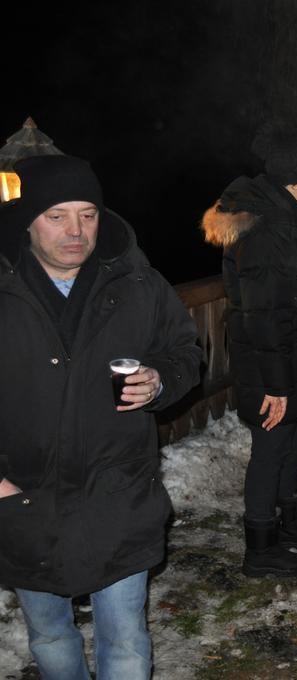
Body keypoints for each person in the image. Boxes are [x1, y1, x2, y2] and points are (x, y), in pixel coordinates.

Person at [0, 154, 201, 679]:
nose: (75, 231)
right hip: (26, 497)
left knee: (127, 638)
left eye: (87, 214)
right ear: (28, 222)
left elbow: (184, 351)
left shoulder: (137, 282)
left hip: (119, 490)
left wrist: (161, 380)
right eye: (57, 216)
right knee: (49, 634)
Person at [202, 133, 297, 577]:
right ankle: (259, 547)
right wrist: (276, 385)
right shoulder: (263, 230)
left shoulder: (286, 220)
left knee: (293, 442)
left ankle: (289, 525)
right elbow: (262, 313)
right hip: (270, 363)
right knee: (271, 448)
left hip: (292, 356)